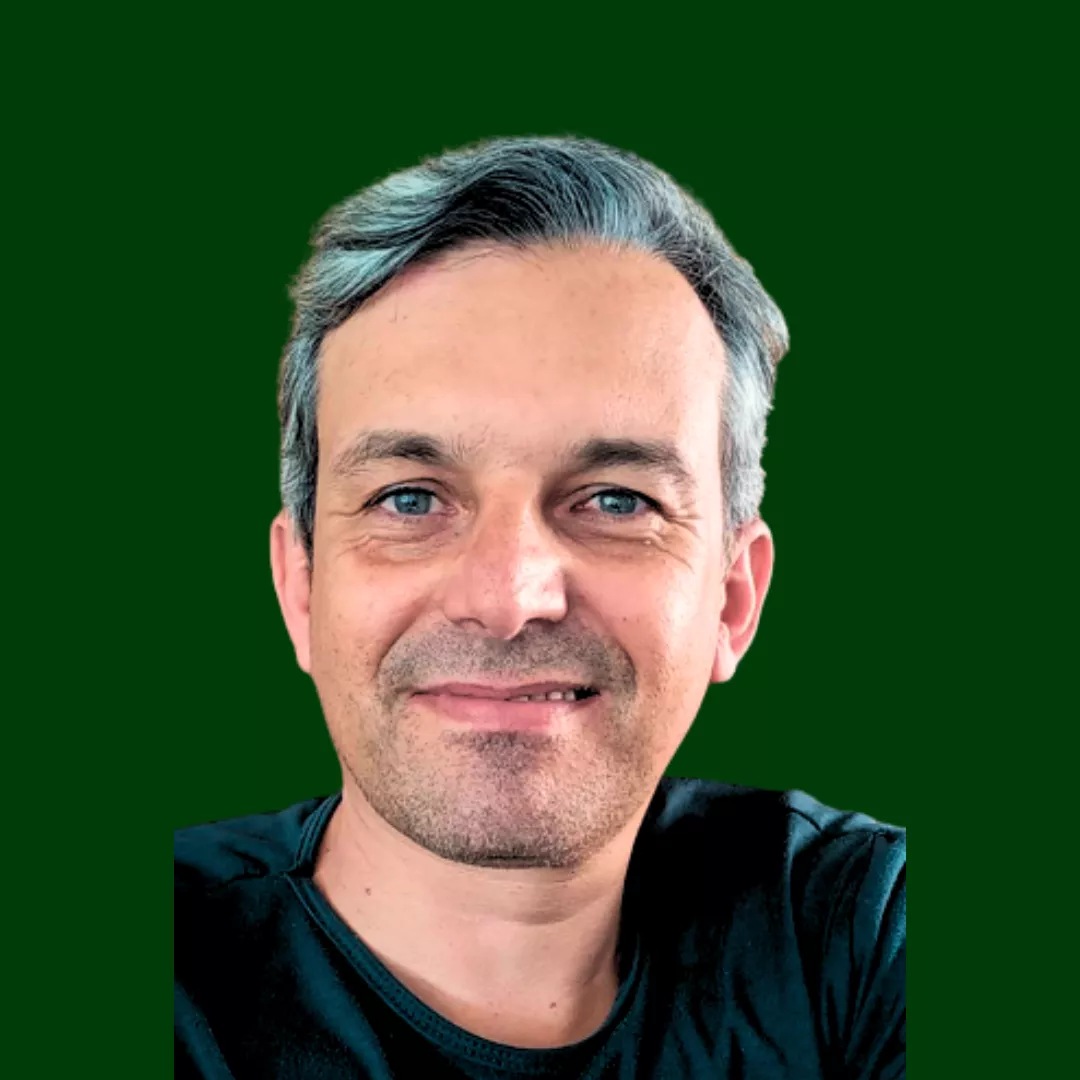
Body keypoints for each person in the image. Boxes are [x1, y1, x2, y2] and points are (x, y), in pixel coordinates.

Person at [174, 134, 906, 1079]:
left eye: (617, 501)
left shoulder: (858, 933)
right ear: (301, 586)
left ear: (733, 598)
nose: (508, 599)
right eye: (410, 499)